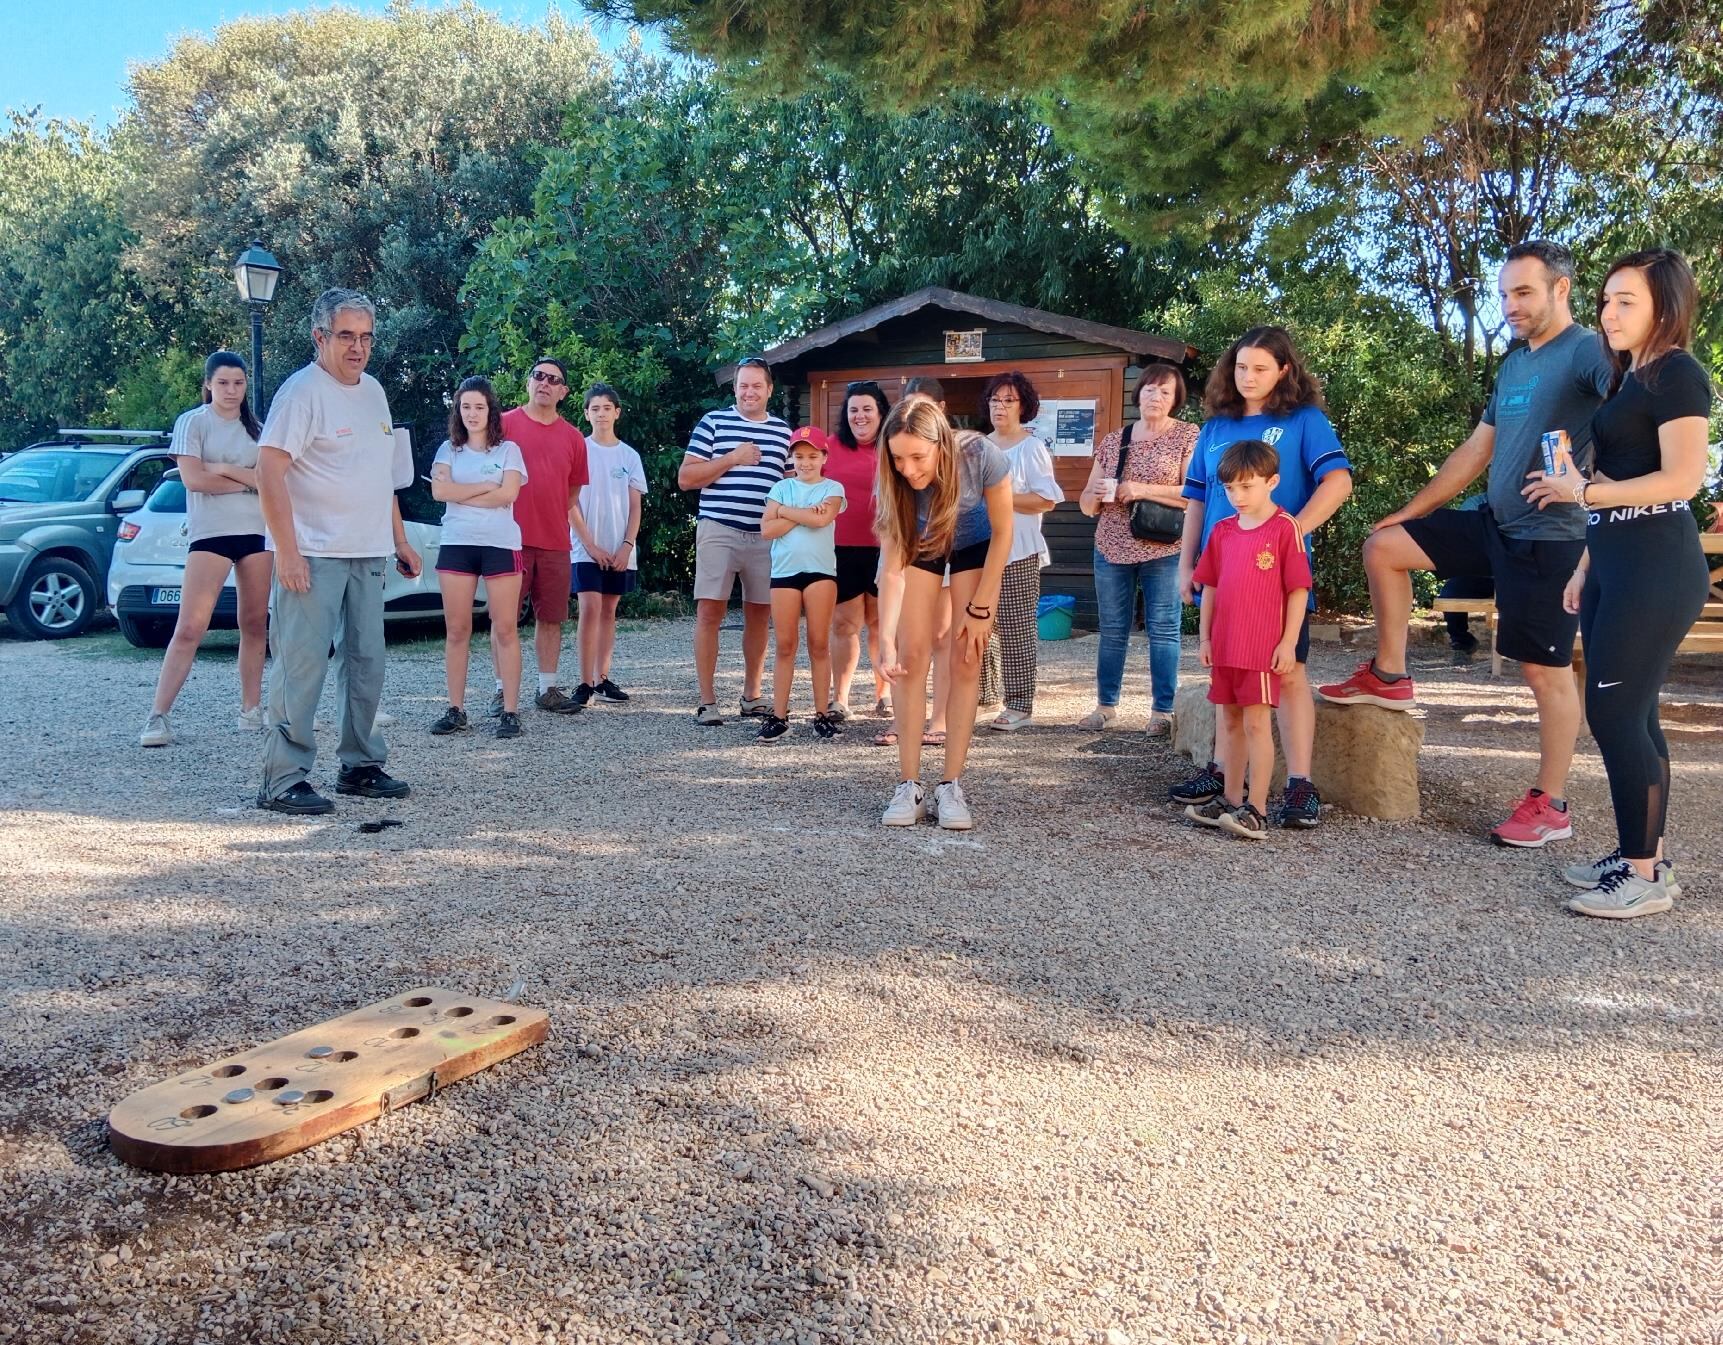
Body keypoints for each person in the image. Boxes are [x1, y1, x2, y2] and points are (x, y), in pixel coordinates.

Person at [1317, 241, 1614, 847]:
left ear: (1562, 289)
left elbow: (1633, 421)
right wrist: (1409, 511)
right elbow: (1476, 451)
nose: (1510, 305)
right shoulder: (1515, 364)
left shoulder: (1588, 351)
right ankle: (1391, 674)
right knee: (1385, 547)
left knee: (1543, 671)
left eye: (1524, 292)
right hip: (1494, 524)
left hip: (1551, 539)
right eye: (1504, 294)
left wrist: (1590, 488)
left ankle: (1551, 803)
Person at [1523, 250, 1710, 917]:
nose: (1608, 313)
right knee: (1635, 713)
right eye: (1605, 300)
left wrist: (1586, 488)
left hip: (1657, 566)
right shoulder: (1629, 379)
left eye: (1625, 300)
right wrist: (1584, 565)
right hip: (1614, 563)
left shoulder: (1678, 375)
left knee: (1613, 712)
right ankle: (1645, 851)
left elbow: (1682, 481)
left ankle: (1642, 875)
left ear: (1665, 304)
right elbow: (1612, 493)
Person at [1171, 325, 1353, 828]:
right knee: (1225, 675)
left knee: (1288, 674)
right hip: (1222, 573)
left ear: (1284, 371)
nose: (1248, 376)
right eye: (1241, 366)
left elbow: (1338, 480)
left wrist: (1292, 528)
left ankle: (1298, 786)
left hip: (1275, 578)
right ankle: (1225, 778)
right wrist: (1187, 565)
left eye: (1260, 367)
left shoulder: (1304, 419)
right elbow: (1197, 501)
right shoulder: (1214, 428)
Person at [256, 288, 419, 814]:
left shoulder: (374, 392)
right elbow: (268, 471)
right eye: (346, 335)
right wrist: (287, 551)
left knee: (366, 662)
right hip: (313, 552)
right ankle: (283, 780)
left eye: (365, 336)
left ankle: (361, 765)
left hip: (368, 551)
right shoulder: (301, 393)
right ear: (319, 336)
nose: (357, 347)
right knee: (301, 666)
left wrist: (399, 540)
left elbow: (382, 478)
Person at [876, 395, 1013, 830]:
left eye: (918, 456)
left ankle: (951, 784)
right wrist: (884, 639)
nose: (909, 469)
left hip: (977, 544)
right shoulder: (894, 480)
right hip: (923, 544)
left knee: (967, 656)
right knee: (908, 658)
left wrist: (979, 607)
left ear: (941, 444)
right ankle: (909, 785)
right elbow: (892, 568)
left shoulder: (980, 456)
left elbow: (1006, 533)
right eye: (899, 459)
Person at [139, 352, 272, 747]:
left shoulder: (258, 428)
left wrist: (225, 470)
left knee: (254, 623)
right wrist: (246, 482)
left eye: (239, 383)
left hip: (256, 532)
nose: (231, 390)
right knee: (190, 627)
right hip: (211, 533)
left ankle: (251, 709)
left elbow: (269, 479)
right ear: (209, 385)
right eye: (224, 383)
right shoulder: (193, 422)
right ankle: (158, 715)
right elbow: (194, 479)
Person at [1182, 440, 1313, 839]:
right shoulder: (1221, 531)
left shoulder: (1284, 528)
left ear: (1272, 481)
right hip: (1225, 646)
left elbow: (1298, 590)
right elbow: (1211, 587)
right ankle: (1231, 798)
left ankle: (1257, 809)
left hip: (1260, 647)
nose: (1237, 496)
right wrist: (1205, 638)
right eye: (1230, 489)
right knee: (1231, 721)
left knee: (1257, 723)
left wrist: (1288, 642)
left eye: (1247, 486)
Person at [1076, 364, 1198, 735]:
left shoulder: (1187, 436)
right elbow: (1084, 501)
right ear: (1138, 394)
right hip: (1111, 545)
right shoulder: (1116, 439)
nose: (1155, 397)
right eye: (1149, 389)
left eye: (1164, 391)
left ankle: (1162, 711)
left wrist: (1140, 488)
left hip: (1164, 546)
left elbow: (1194, 493)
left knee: (1163, 629)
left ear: (1176, 399)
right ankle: (1105, 706)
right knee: (1112, 628)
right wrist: (1095, 496)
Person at [679, 356, 791, 725]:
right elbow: (687, 478)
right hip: (719, 530)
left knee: (760, 615)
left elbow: (792, 487)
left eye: (757, 385)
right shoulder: (713, 423)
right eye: (743, 385)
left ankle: (752, 695)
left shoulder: (783, 432)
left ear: (769, 390)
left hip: (765, 536)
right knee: (709, 612)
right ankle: (707, 702)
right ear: (735, 388)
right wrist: (733, 457)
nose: (749, 391)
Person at [427, 377, 527, 739]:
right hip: (457, 543)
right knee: (457, 630)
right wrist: (487, 486)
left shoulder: (508, 451)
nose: (472, 413)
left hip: (500, 544)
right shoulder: (447, 451)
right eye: (465, 406)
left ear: (491, 410)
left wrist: (462, 494)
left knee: (504, 628)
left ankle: (511, 711)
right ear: (458, 410)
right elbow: (440, 491)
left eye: (479, 407)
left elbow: (509, 495)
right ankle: (455, 709)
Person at [498, 357, 589, 717]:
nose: (545, 383)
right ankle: (500, 691)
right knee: (504, 619)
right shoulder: (503, 425)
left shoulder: (573, 437)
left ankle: (547, 688)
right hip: (507, 539)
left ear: (563, 392)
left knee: (551, 617)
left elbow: (572, 493)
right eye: (538, 375)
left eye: (554, 380)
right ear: (528, 382)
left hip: (553, 540)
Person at [978, 371, 1063, 731]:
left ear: (1023, 406)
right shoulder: (980, 445)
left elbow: (1046, 499)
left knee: (1015, 627)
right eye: (995, 400)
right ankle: (983, 695)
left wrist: (1001, 496)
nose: (1000, 406)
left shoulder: (1032, 447)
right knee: (979, 620)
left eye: (1008, 400)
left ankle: (1019, 704)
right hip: (980, 546)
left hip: (1019, 549)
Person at [757, 426, 846, 741]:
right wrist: (800, 513)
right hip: (784, 573)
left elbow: (822, 519)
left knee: (819, 644)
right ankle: (779, 715)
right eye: (799, 456)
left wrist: (784, 514)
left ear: (824, 457)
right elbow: (766, 530)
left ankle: (822, 714)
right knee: (784, 645)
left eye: (812, 456)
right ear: (791, 458)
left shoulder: (832, 487)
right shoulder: (780, 488)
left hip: (820, 572)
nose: (805, 462)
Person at [569, 382, 647, 707]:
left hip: (619, 548)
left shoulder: (629, 456)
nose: (601, 414)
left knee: (609, 611)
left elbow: (635, 506)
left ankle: (602, 677)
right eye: (594, 408)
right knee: (589, 609)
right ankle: (584, 682)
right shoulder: (578, 450)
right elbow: (569, 503)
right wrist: (590, 546)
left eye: (606, 408)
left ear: (617, 412)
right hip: (584, 546)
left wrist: (627, 545)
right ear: (586, 414)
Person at [827, 380, 891, 721]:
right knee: (845, 624)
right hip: (842, 548)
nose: (860, 416)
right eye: (854, 409)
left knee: (883, 624)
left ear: (881, 412)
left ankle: (886, 694)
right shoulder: (828, 446)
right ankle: (840, 698)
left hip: (887, 548)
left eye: (867, 409)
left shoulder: (894, 446)